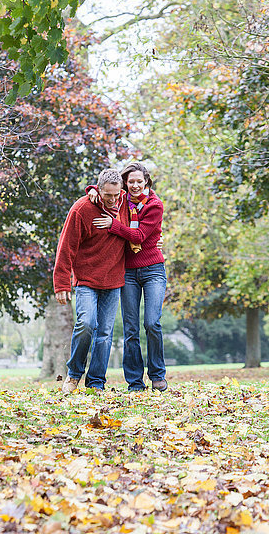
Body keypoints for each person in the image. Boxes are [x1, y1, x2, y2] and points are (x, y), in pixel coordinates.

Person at [92, 163, 167, 392]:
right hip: (127, 271)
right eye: (130, 182)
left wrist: (113, 225)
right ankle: (135, 381)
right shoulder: (120, 201)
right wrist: (92, 190)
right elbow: (103, 192)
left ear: (146, 182)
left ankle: (157, 374)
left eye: (139, 181)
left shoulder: (154, 205)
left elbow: (140, 235)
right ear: (125, 182)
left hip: (153, 268)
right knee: (130, 328)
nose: (135, 185)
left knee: (152, 322)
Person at [53, 168, 129, 394]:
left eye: (117, 195)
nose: (114, 200)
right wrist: (61, 283)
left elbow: (147, 210)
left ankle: (96, 382)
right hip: (86, 280)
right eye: (108, 196)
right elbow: (66, 247)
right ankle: (74, 374)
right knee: (86, 324)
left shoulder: (125, 204)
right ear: (98, 189)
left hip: (113, 280)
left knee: (105, 334)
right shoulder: (82, 209)